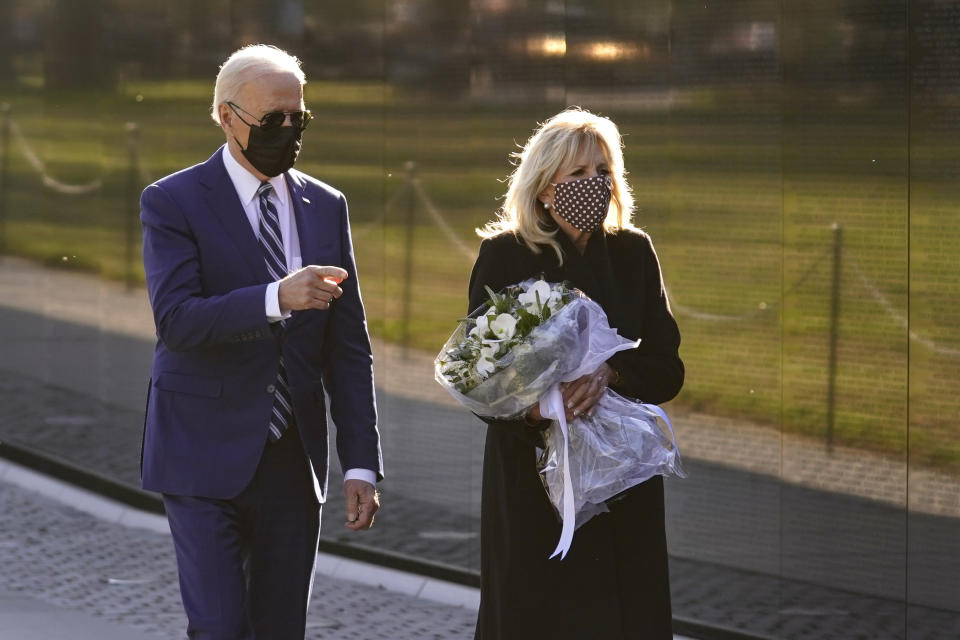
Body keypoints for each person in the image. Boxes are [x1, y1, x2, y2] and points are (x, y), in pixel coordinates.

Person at [140, 44, 383, 639]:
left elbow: (348, 347)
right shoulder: (172, 201)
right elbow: (177, 319)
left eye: (297, 118)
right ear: (227, 117)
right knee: (221, 627)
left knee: (278, 629)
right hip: (200, 452)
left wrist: (361, 463)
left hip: (290, 460)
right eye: (271, 120)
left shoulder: (326, 206)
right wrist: (278, 298)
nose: (287, 131)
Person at [468, 107, 684, 638]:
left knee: (622, 610)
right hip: (533, 479)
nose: (595, 183)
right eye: (578, 174)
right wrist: (545, 403)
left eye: (603, 172)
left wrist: (612, 374)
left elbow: (667, 367)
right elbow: (479, 378)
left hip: (620, 478)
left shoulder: (633, 252)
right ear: (545, 188)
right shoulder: (506, 255)